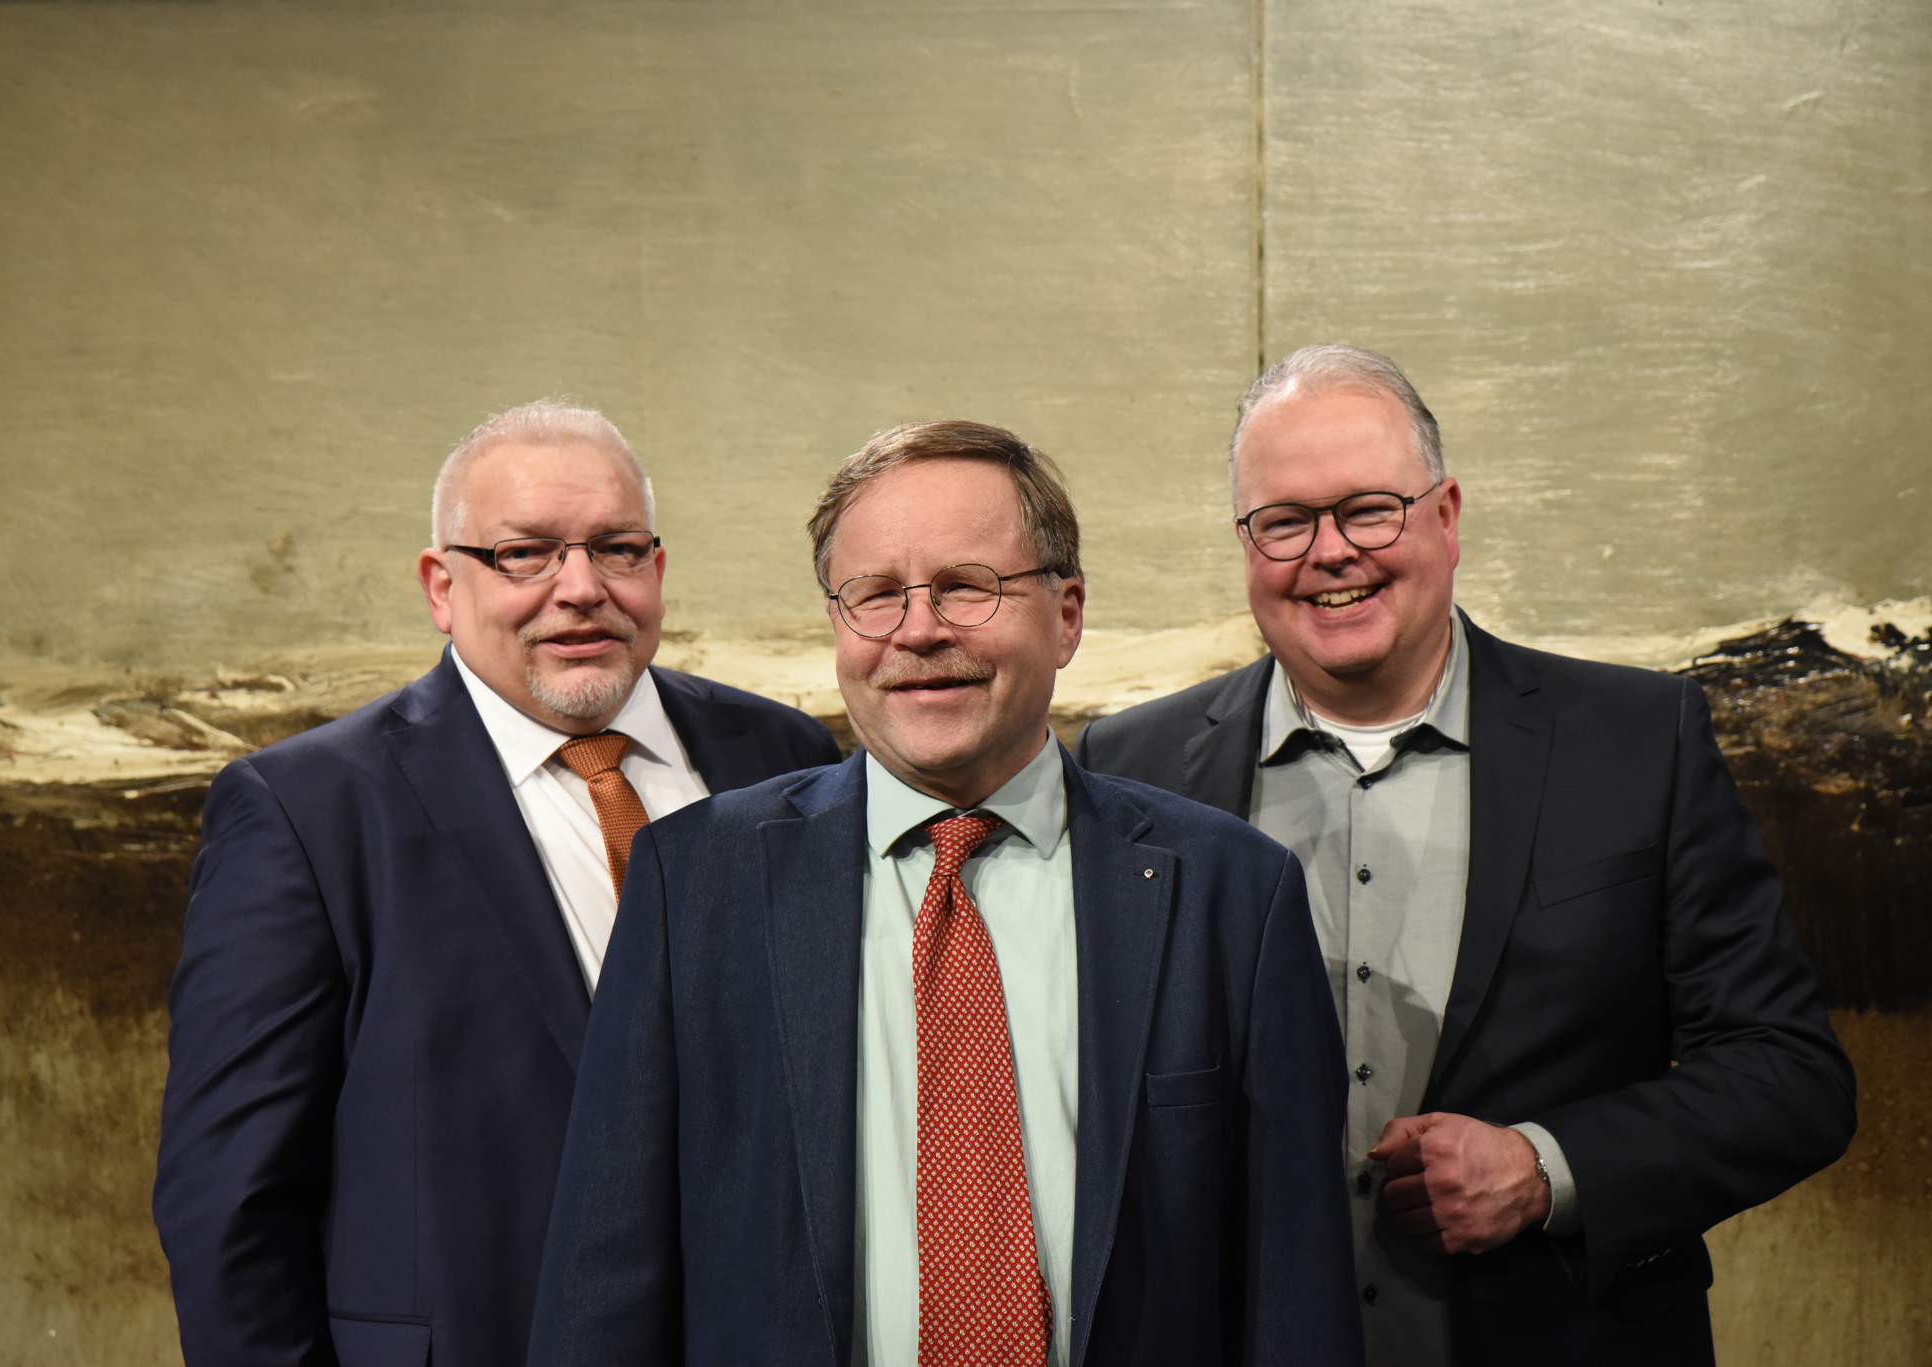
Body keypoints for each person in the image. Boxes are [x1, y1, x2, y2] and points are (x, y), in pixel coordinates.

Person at [1074, 345, 1857, 1365]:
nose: (1329, 551)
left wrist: (1544, 1166)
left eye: (1368, 510)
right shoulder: (1128, 765)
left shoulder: (1636, 742)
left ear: (1445, 517)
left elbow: (1787, 1074)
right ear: (1245, 543)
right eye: (1285, 521)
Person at [525, 420, 1363, 1366]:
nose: (919, 630)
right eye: (876, 594)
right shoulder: (695, 883)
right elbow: (606, 1275)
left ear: (1068, 614)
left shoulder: (1232, 892)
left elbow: (1294, 1293)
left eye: (968, 586)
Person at [153, 402, 841, 1367]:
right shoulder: (307, 811)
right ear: (442, 586)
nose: (581, 588)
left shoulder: (783, 755)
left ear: (656, 570)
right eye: (525, 554)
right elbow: (230, 1203)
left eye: (616, 549)